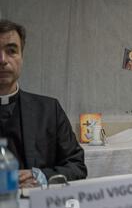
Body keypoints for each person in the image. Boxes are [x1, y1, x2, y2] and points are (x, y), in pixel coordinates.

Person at [0, 19, 87, 188]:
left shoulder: (49, 111)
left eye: (11, 51)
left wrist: (44, 177)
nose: (2, 59)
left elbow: (77, 166)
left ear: (22, 57)